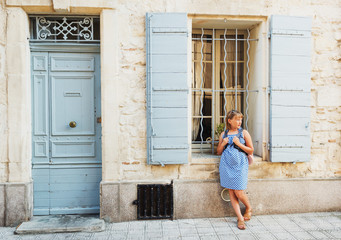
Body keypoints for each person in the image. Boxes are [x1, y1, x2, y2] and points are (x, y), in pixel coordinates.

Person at [217, 110, 254, 230]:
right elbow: (218, 152)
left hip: (240, 165)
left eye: (240, 119)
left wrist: (239, 144)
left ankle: (248, 208)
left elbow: (251, 150)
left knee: (239, 192)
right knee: (232, 192)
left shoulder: (244, 133)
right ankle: (240, 218)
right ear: (229, 120)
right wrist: (223, 143)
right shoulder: (224, 134)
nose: (239, 122)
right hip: (226, 166)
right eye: (237, 119)